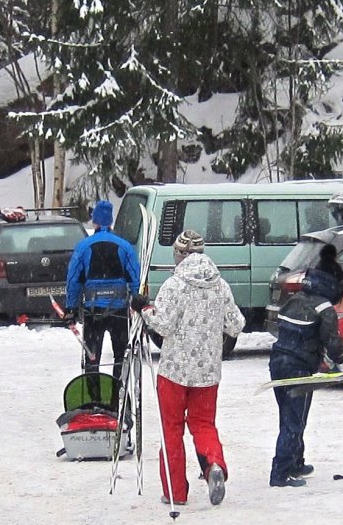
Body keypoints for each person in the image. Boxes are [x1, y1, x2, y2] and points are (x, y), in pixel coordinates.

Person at [133, 230, 245, 507]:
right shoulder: (220, 286)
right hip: (207, 373)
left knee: (171, 429)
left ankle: (175, 492)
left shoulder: (174, 285)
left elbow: (163, 325)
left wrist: (144, 308)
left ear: (179, 254)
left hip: (174, 371)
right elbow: (236, 324)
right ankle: (214, 465)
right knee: (203, 424)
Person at [267, 267, 343, 487]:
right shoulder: (324, 308)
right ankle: (280, 474)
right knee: (295, 420)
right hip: (299, 369)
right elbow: (333, 341)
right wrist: (339, 360)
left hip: (277, 363)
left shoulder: (295, 299)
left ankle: (296, 462)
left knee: (289, 415)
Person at [65, 200, 140, 390]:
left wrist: (71, 307)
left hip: (93, 311)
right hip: (119, 311)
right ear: (111, 221)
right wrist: (137, 300)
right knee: (120, 357)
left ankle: (94, 398)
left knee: (92, 358)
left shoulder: (84, 247)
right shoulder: (124, 246)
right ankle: (118, 396)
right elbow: (135, 277)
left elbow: (74, 279)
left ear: (95, 221)